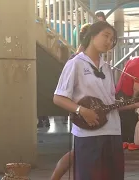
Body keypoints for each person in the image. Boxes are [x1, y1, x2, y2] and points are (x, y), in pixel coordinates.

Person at [53, 21, 139, 180]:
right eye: (106, 36)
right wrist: (81, 110)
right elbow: (58, 98)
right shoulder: (76, 63)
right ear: (92, 35)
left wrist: (136, 104)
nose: (109, 42)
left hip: (113, 132)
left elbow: (109, 104)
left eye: (112, 40)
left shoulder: (107, 68)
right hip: (88, 135)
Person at [50, 23, 91, 180]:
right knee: (76, 153)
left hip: (83, 109)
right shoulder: (76, 60)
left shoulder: (81, 58)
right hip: (80, 111)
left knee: (77, 153)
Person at [115, 47, 139, 150]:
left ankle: (123, 142)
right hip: (127, 94)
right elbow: (136, 88)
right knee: (131, 118)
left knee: (123, 118)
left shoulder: (134, 59)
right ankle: (131, 143)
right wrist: (136, 104)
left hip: (119, 91)